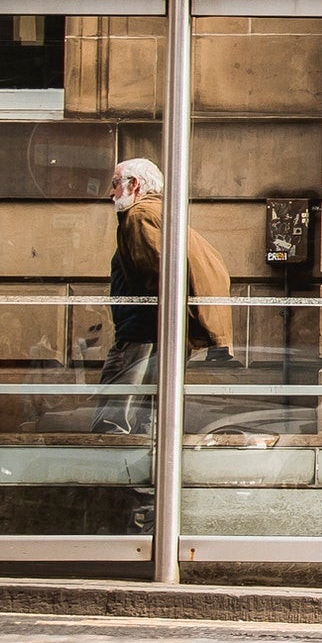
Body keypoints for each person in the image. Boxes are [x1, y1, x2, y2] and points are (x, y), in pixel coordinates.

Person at [93, 157, 234, 438]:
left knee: (114, 417)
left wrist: (155, 315)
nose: (111, 193)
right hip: (165, 328)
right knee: (152, 412)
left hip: (145, 329)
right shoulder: (164, 213)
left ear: (133, 185)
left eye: (115, 184)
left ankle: (110, 470)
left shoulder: (139, 215)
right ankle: (145, 470)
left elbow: (159, 270)